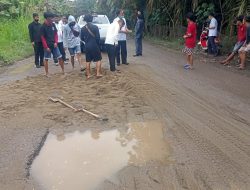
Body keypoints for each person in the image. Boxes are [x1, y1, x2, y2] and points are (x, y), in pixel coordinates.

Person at [40, 12, 64, 77]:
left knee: (60, 57)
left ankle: (63, 71)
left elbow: (56, 34)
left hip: (54, 45)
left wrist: (56, 42)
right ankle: (47, 73)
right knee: (46, 59)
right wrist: (46, 47)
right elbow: (42, 38)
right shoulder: (43, 27)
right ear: (47, 18)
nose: (52, 19)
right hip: (47, 46)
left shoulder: (53, 25)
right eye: (51, 18)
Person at [81, 14, 102, 79]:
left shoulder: (83, 28)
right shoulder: (95, 27)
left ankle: (88, 74)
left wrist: (87, 41)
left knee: (88, 60)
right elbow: (98, 38)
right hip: (94, 45)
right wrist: (97, 44)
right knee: (98, 59)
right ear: (91, 19)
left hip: (87, 46)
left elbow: (81, 38)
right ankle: (98, 73)